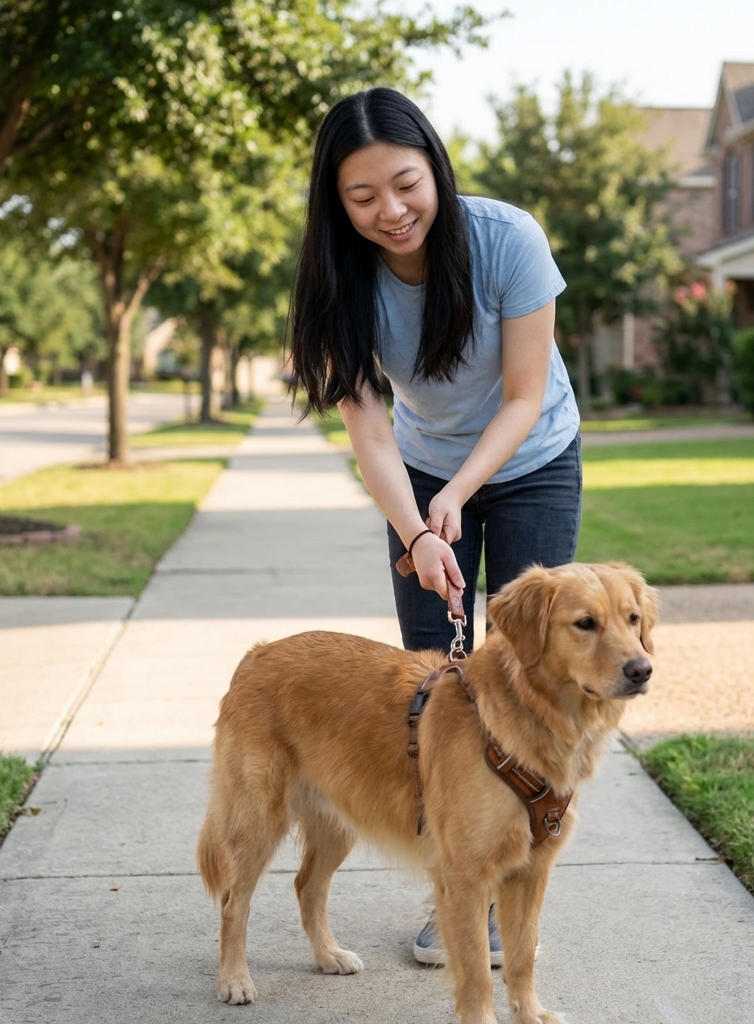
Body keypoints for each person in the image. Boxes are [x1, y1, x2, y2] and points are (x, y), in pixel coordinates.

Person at [289, 87, 582, 967]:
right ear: (336, 203)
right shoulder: (341, 278)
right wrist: (419, 526)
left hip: (531, 454)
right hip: (415, 469)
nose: (391, 211)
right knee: (437, 691)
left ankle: (516, 861)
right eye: (363, 196)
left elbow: (525, 397)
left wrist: (460, 490)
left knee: (529, 666)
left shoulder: (506, 239)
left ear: (436, 171)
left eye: (405, 184)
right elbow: (369, 428)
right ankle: (456, 889)